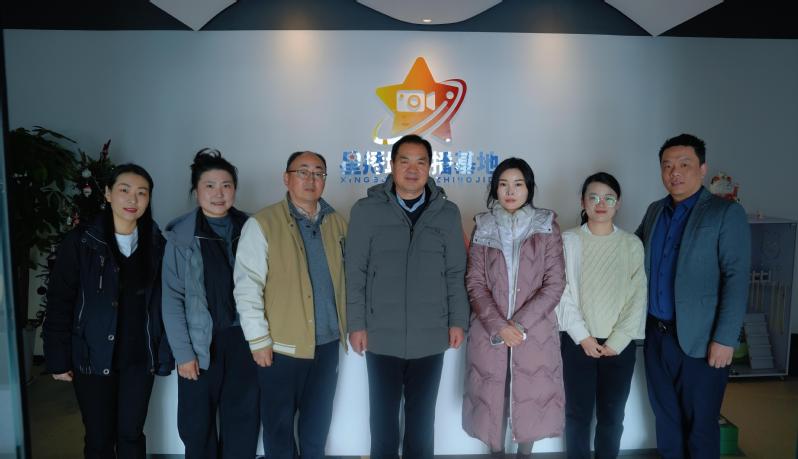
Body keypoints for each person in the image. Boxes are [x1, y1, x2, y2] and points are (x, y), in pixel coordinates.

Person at [346, 134, 470, 459]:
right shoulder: (366, 211)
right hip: (381, 335)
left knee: (421, 423)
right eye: (405, 161)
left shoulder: (447, 213)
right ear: (391, 165)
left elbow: (456, 272)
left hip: (430, 335)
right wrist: (356, 324)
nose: (412, 169)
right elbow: (355, 273)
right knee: (383, 423)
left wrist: (458, 320)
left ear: (430, 167)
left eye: (420, 162)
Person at [43, 163, 173, 458]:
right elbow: (60, 300)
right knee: (99, 437)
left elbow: (165, 304)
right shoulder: (82, 242)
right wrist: (57, 357)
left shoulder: (157, 245)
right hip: (92, 355)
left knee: (131, 434)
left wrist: (164, 353)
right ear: (107, 194)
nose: (132, 199)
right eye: (124, 190)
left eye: (142, 193)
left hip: (139, 357)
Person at [636, 134, 750, 458]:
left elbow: (737, 278)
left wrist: (725, 338)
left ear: (702, 168)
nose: (675, 172)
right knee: (666, 422)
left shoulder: (725, 213)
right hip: (657, 337)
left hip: (703, 341)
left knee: (700, 427)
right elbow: (631, 253)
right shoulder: (655, 211)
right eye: (667, 166)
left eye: (684, 164)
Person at [233, 151, 347, 459]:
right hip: (280, 347)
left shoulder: (336, 223)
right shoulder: (263, 223)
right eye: (303, 172)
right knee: (278, 428)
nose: (311, 179)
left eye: (318, 173)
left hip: (326, 345)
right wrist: (258, 340)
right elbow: (247, 285)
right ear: (287, 178)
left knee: (316, 428)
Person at [462, 157, 566, 458]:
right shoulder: (483, 225)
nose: (510, 191)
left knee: (529, 397)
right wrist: (500, 326)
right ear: (495, 189)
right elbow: (475, 283)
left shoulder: (546, 225)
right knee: (493, 398)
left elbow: (554, 284)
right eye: (503, 184)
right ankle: (496, 453)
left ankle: (524, 454)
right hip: (490, 333)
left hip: (533, 333)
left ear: (528, 188)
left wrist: (518, 326)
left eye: (518, 184)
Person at [161, 149, 258, 458]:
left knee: (242, 421)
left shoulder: (252, 228)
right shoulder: (181, 236)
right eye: (210, 185)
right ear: (196, 191)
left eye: (226, 185)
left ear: (235, 190)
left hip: (243, 341)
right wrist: (183, 353)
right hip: (201, 345)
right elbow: (172, 299)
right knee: (197, 426)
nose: (219, 193)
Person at [556, 172, 647, 459]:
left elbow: (638, 296)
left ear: (618, 203)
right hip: (577, 343)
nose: (600, 204)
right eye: (593, 197)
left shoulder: (631, 244)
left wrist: (618, 341)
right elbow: (560, 291)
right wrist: (582, 336)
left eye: (608, 198)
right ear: (582, 202)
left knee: (612, 416)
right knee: (577, 415)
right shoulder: (567, 240)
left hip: (618, 347)